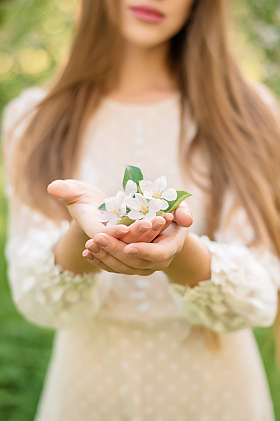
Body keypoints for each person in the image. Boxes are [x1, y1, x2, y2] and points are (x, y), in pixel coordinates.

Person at [2, 0, 280, 420]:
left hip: (217, 400)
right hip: (87, 397)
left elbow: (259, 295)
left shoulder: (247, 113)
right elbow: (38, 301)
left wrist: (179, 254)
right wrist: (86, 233)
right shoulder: (35, 119)